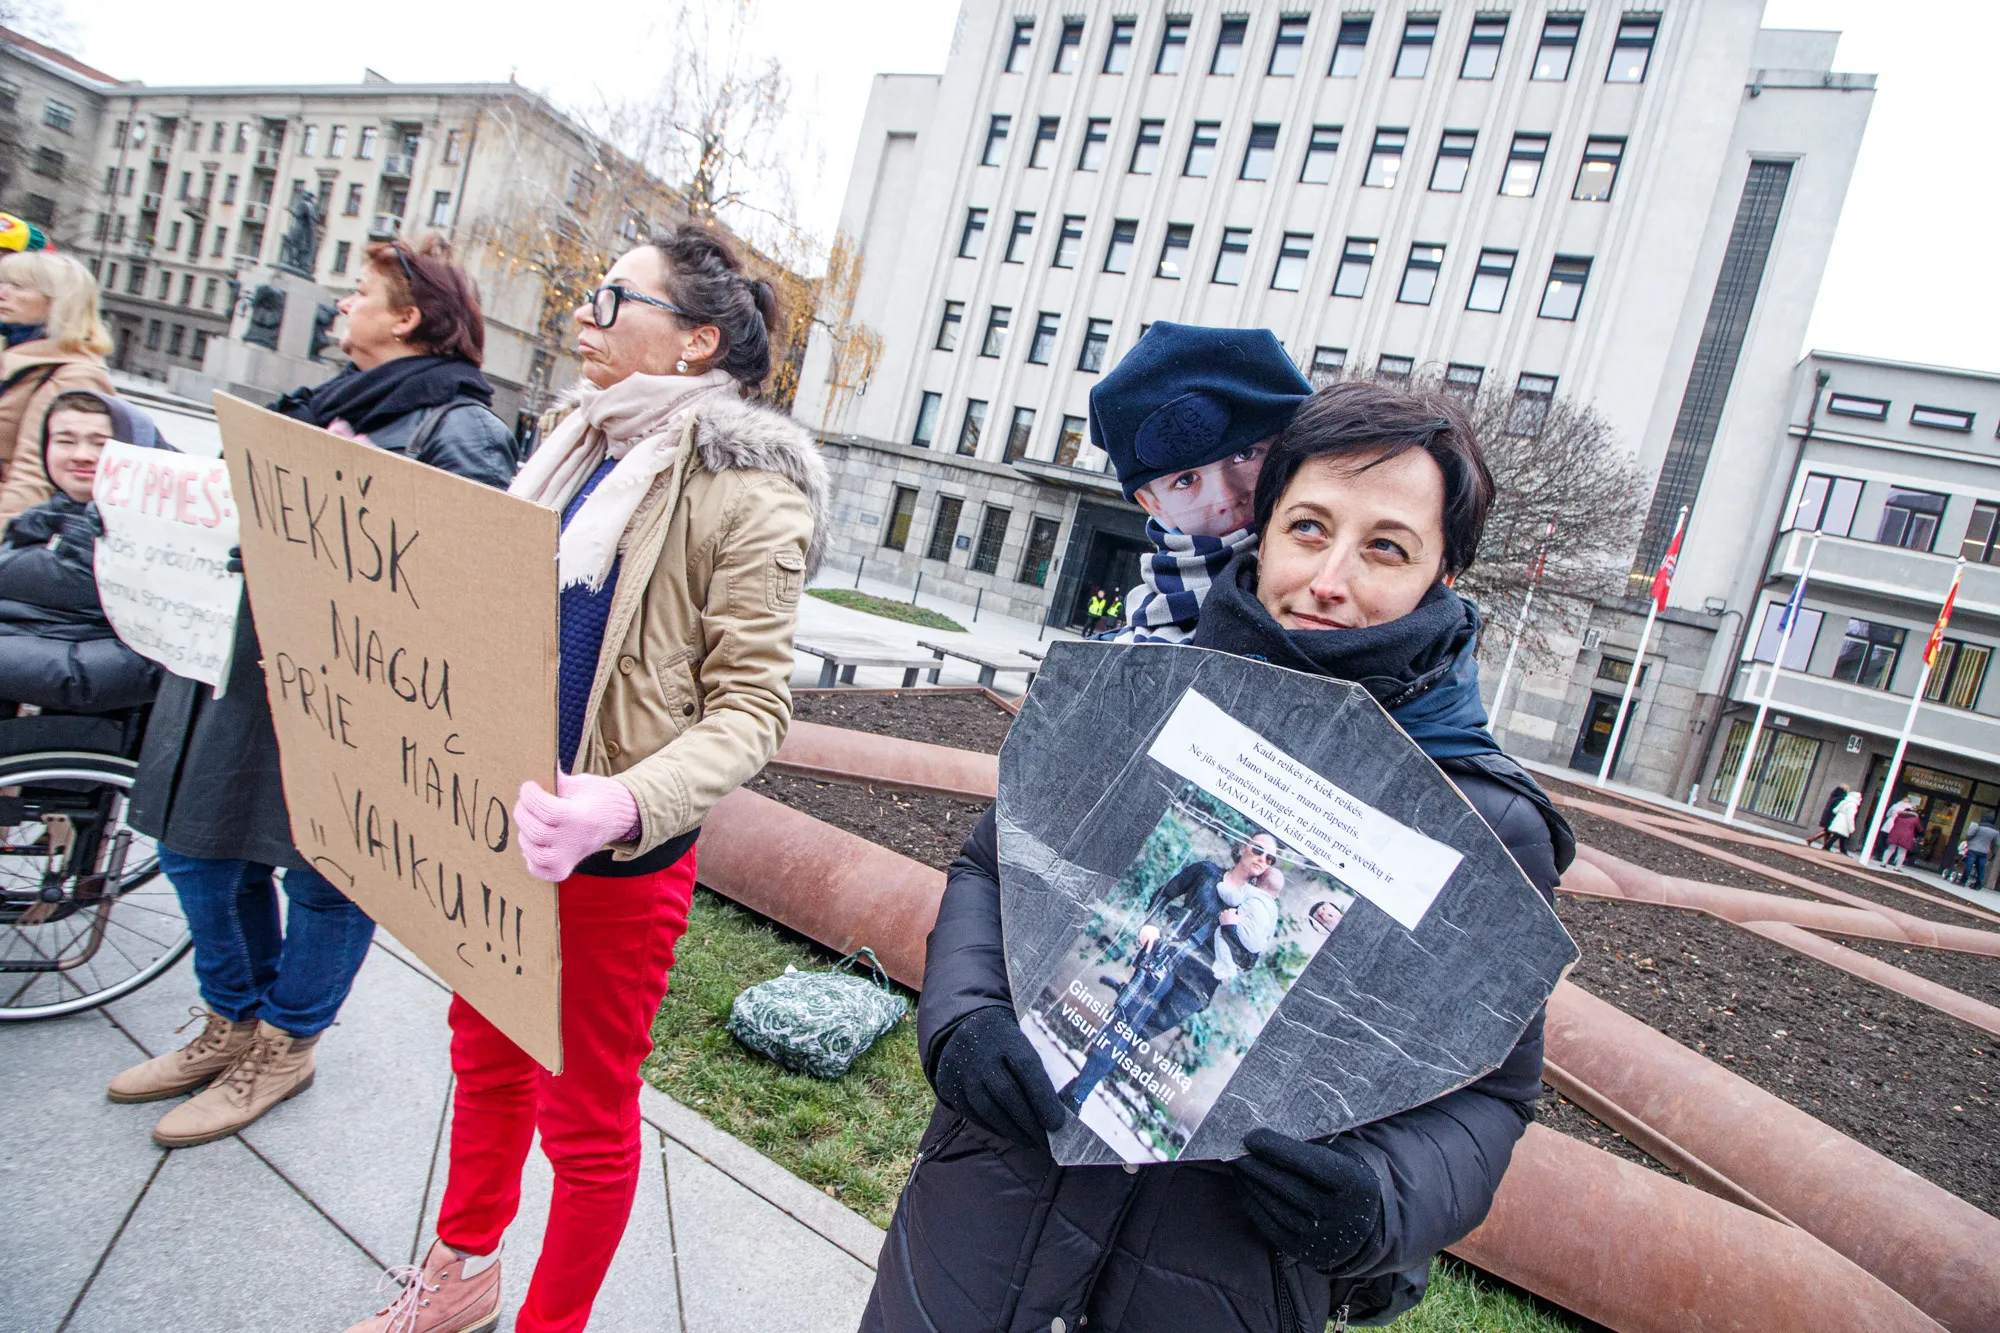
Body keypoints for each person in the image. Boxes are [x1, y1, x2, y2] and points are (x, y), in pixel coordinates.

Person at [868, 380, 1575, 1332]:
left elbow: (1488, 1094)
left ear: (1442, 575)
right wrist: (966, 1022)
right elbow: (996, 867)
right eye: (1311, 527)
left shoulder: (1482, 821)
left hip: (1222, 1283)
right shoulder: (1143, 688)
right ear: (1266, 527)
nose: (1330, 578)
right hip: (985, 1223)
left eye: (1386, 547)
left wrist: (1376, 1198)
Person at [346, 223, 825, 1333]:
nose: (583, 315)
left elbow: (752, 710)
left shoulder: (749, 494)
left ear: (696, 342)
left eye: (614, 299)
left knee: (587, 1118)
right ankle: (459, 1276)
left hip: (617, 855)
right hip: (503, 827)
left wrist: (622, 801)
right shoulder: (572, 444)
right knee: (485, 1057)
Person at [116, 235, 518, 1146]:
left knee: (328, 873)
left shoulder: (457, 428)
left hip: (343, 693)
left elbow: (471, 584)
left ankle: (286, 1042)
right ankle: (235, 1018)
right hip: (246, 676)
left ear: (407, 318)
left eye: (357, 294)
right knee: (200, 848)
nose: (341, 306)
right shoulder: (324, 403)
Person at [1090, 322, 1312, 642]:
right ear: (1154, 505)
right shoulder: (1109, 654)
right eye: (1185, 480)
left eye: (1244, 455)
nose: (1224, 496)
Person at [1057, 831, 1282, 1115]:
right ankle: (1076, 1099)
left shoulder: (1256, 907)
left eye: (1269, 857)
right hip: (1166, 956)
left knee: (1137, 1037)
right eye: (1258, 849)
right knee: (1126, 1022)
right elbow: (1165, 893)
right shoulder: (1206, 872)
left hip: (1197, 986)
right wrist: (1150, 924)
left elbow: (1248, 960)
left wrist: (1232, 928)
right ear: (1242, 847)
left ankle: (1078, 1088)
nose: (1262, 858)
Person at [0, 391, 166, 713]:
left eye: (100, 444)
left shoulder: (154, 539)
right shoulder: (41, 521)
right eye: (65, 441)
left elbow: (108, 670)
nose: (81, 455)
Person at [0, 250, 114, 531]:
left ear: (59, 303)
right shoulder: (17, 355)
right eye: (2, 282)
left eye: (19, 286)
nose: (3, 292)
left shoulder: (73, 375)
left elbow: (35, 477)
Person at [1806, 785, 1849, 850]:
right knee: (1827, 831)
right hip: (1831, 817)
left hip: (1827, 815)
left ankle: (1825, 845)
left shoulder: (1834, 796)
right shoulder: (1840, 798)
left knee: (1827, 831)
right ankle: (1813, 839)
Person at [1881, 799, 1920, 869]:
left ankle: (1884, 862)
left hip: (1895, 834)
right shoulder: (1915, 819)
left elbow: (1892, 819)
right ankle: (1897, 867)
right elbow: (1919, 829)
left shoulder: (1899, 816)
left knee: (1890, 849)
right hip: (1906, 837)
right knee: (1902, 852)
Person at [1964, 815, 1998, 891]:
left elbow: (1969, 834)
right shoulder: (1995, 831)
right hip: (1984, 851)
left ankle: (1963, 880)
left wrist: (1969, 841)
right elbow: (1997, 843)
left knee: (1969, 864)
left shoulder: (1977, 825)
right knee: (1981, 868)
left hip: (1973, 848)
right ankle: (1978, 885)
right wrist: (1993, 852)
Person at [1824, 787, 1862, 854]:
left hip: (1837, 820)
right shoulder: (1852, 805)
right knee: (1838, 836)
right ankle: (1827, 847)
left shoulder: (1844, 802)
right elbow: (1850, 817)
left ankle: (1843, 851)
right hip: (1844, 823)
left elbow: (1835, 810)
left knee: (1841, 836)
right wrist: (1851, 828)